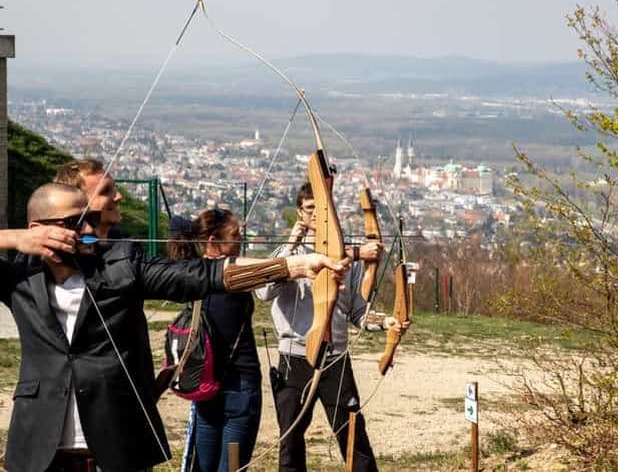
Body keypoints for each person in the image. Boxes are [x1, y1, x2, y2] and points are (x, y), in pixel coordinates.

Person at [0, 183, 349, 472]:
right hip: (38, 449)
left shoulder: (119, 264)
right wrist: (14, 239)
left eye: (91, 218)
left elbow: (207, 274)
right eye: (77, 222)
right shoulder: (19, 274)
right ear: (39, 229)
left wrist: (291, 265)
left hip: (113, 443)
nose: (90, 229)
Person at [255, 182, 409, 472]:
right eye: (310, 209)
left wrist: (386, 322)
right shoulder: (286, 253)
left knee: (353, 436)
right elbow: (263, 293)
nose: (317, 215)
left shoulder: (343, 259)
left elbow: (358, 313)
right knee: (290, 440)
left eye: (323, 209)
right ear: (300, 212)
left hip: (336, 358)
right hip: (295, 357)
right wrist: (291, 245)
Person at [168, 210, 262, 472]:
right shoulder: (234, 274)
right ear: (212, 240)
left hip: (205, 384)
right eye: (235, 235)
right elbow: (273, 270)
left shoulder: (190, 271)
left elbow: (176, 223)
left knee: (204, 467)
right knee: (231, 467)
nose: (241, 239)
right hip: (239, 387)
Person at [53, 159, 123, 239]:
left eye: (115, 187)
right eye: (105, 191)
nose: (119, 196)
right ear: (76, 202)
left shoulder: (125, 242)